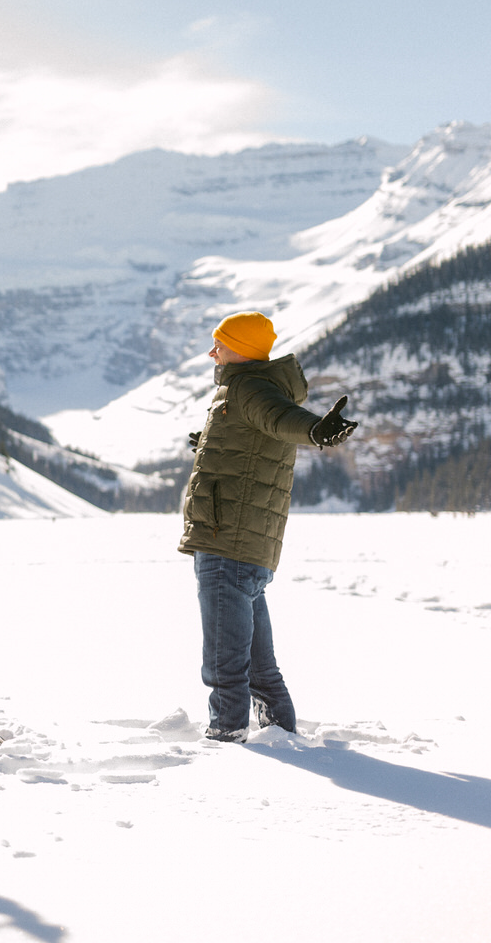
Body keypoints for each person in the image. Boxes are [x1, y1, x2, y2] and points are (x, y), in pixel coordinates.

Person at [180, 311, 357, 743]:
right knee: (260, 668)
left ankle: (226, 736)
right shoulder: (247, 389)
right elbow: (260, 435)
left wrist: (315, 430)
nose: (212, 351)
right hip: (246, 548)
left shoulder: (248, 388)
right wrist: (209, 445)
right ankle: (282, 737)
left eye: (219, 343)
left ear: (239, 348)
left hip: (228, 545)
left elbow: (279, 419)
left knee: (224, 664)